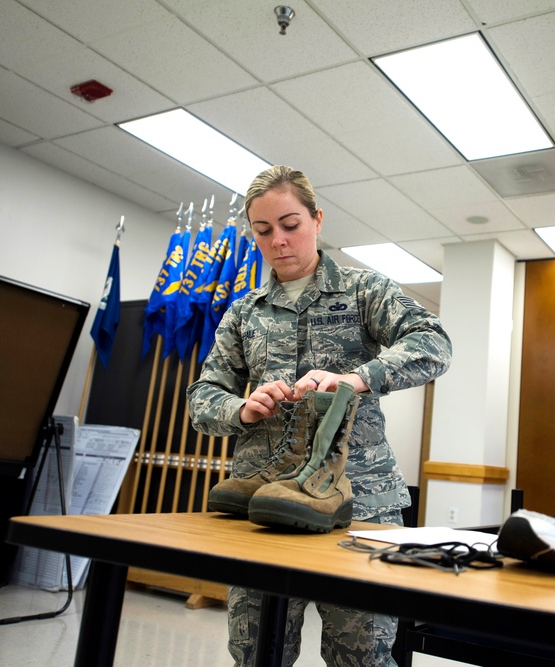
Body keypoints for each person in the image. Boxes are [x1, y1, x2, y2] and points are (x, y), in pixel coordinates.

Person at [187, 165, 453, 666]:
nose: (278, 241)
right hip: (261, 503)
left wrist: (357, 378)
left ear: (317, 219)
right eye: (263, 231)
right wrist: (242, 408)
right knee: (255, 654)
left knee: (362, 658)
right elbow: (203, 396)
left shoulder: (362, 290)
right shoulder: (244, 311)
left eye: (290, 224)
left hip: (360, 503)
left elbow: (433, 343)